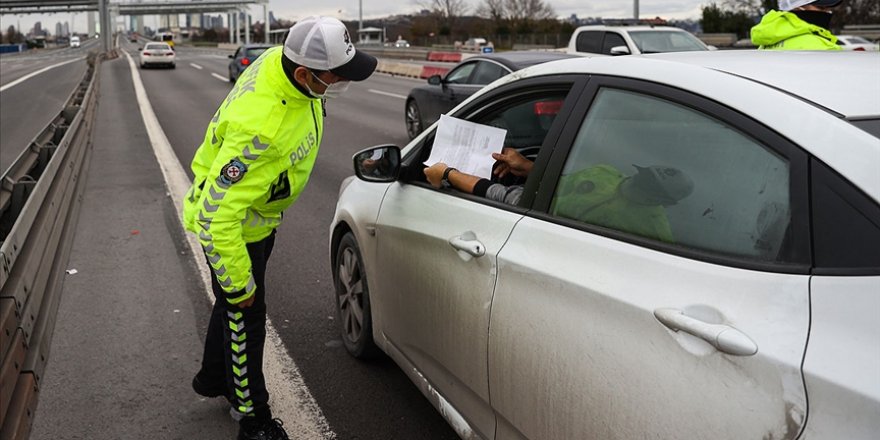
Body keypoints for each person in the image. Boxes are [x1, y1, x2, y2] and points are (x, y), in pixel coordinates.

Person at [181, 16, 376, 440]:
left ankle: (213, 377)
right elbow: (216, 217)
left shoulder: (281, 62)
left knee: (229, 309)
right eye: (336, 75)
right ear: (303, 74)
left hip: (258, 217)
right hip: (237, 232)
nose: (342, 81)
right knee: (244, 319)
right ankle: (253, 419)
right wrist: (239, 284)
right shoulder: (261, 131)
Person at [425, 152, 693, 242]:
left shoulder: (656, 232)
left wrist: (447, 173)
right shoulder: (605, 173)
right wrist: (527, 167)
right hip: (543, 222)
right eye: (642, 176)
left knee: (505, 196)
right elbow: (560, 185)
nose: (636, 183)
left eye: (648, 186)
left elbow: (507, 198)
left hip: (544, 228)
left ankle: (446, 172)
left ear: (665, 203)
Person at [751, 0, 843, 50]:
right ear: (797, 7)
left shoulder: (767, 43)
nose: (828, 11)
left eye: (828, 8)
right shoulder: (823, 47)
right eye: (821, 7)